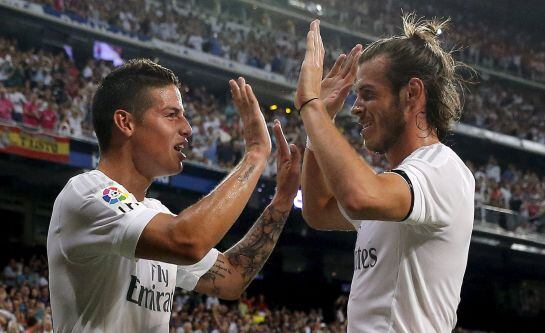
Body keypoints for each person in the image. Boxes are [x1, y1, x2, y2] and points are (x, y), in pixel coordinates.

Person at [47, 59, 301, 332]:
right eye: (171, 115)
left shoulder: (156, 215)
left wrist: (282, 201)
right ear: (125, 123)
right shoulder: (88, 193)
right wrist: (255, 154)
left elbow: (233, 278)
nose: (187, 128)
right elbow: (187, 240)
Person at [297, 16, 475, 332]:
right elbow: (317, 210)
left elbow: (358, 196)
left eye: (367, 93)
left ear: (411, 93)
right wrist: (321, 118)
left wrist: (311, 106)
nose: (355, 106)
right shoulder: (392, 186)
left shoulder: (442, 169)